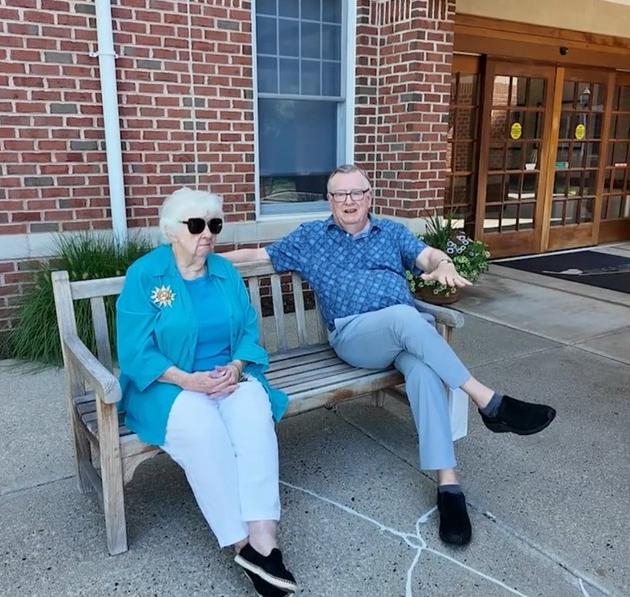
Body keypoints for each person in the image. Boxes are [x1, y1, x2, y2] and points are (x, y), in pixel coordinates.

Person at [222, 164, 556, 547]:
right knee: (405, 317)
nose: (349, 201)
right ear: (329, 201)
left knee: (425, 373)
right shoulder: (310, 237)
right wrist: (198, 258)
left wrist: (444, 264)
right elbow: (255, 253)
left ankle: (449, 487)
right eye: (340, 194)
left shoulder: (391, 232)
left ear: (369, 197)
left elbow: (428, 256)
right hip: (355, 337)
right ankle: (489, 402)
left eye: (356, 192)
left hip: (405, 337)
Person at [115, 188, 297, 596]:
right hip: (167, 384)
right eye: (196, 225)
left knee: (254, 415)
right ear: (170, 231)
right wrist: (187, 380)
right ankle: (242, 544)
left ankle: (265, 541)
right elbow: (134, 349)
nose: (207, 234)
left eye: (214, 224)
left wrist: (236, 368)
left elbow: (248, 329)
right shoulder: (146, 274)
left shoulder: (223, 272)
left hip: (226, 377)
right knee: (202, 430)